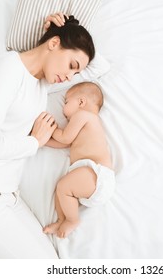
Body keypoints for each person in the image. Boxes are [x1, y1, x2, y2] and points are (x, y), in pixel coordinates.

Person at [0, 13, 95, 258]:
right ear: (54, 44)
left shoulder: (40, 83)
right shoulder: (8, 69)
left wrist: (55, 30)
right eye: (71, 66)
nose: (69, 77)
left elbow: (96, 72)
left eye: (74, 74)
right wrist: (34, 142)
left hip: (5, 198)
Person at [43, 82, 115, 239]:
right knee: (61, 190)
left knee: (63, 187)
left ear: (81, 102)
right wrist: (41, 141)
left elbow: (65, 137)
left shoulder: (84, 116)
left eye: (66, 102)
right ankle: (62, 220)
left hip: (97, 174)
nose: (63, 111)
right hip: (89, 177)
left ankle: (72, 220)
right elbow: (65, 143)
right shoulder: (82, 121)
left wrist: (51, 128)